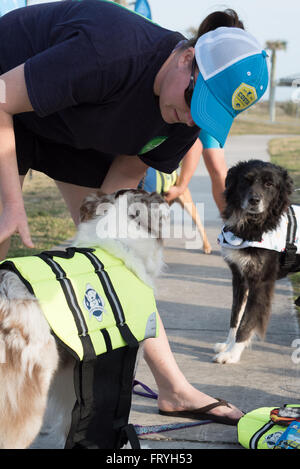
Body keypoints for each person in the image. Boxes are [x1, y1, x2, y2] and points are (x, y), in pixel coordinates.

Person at [0, 2, 269, 423]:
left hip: (69, 131)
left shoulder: (184, 121)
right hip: (9, 94)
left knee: (120, 253)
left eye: (205, 114)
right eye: (192, 99)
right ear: (186, 57)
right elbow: (1, 99)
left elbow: (123, 177)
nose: (189, 116)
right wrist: (12, 204)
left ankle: (174, 388)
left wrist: (97, 244)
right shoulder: (108, 51)